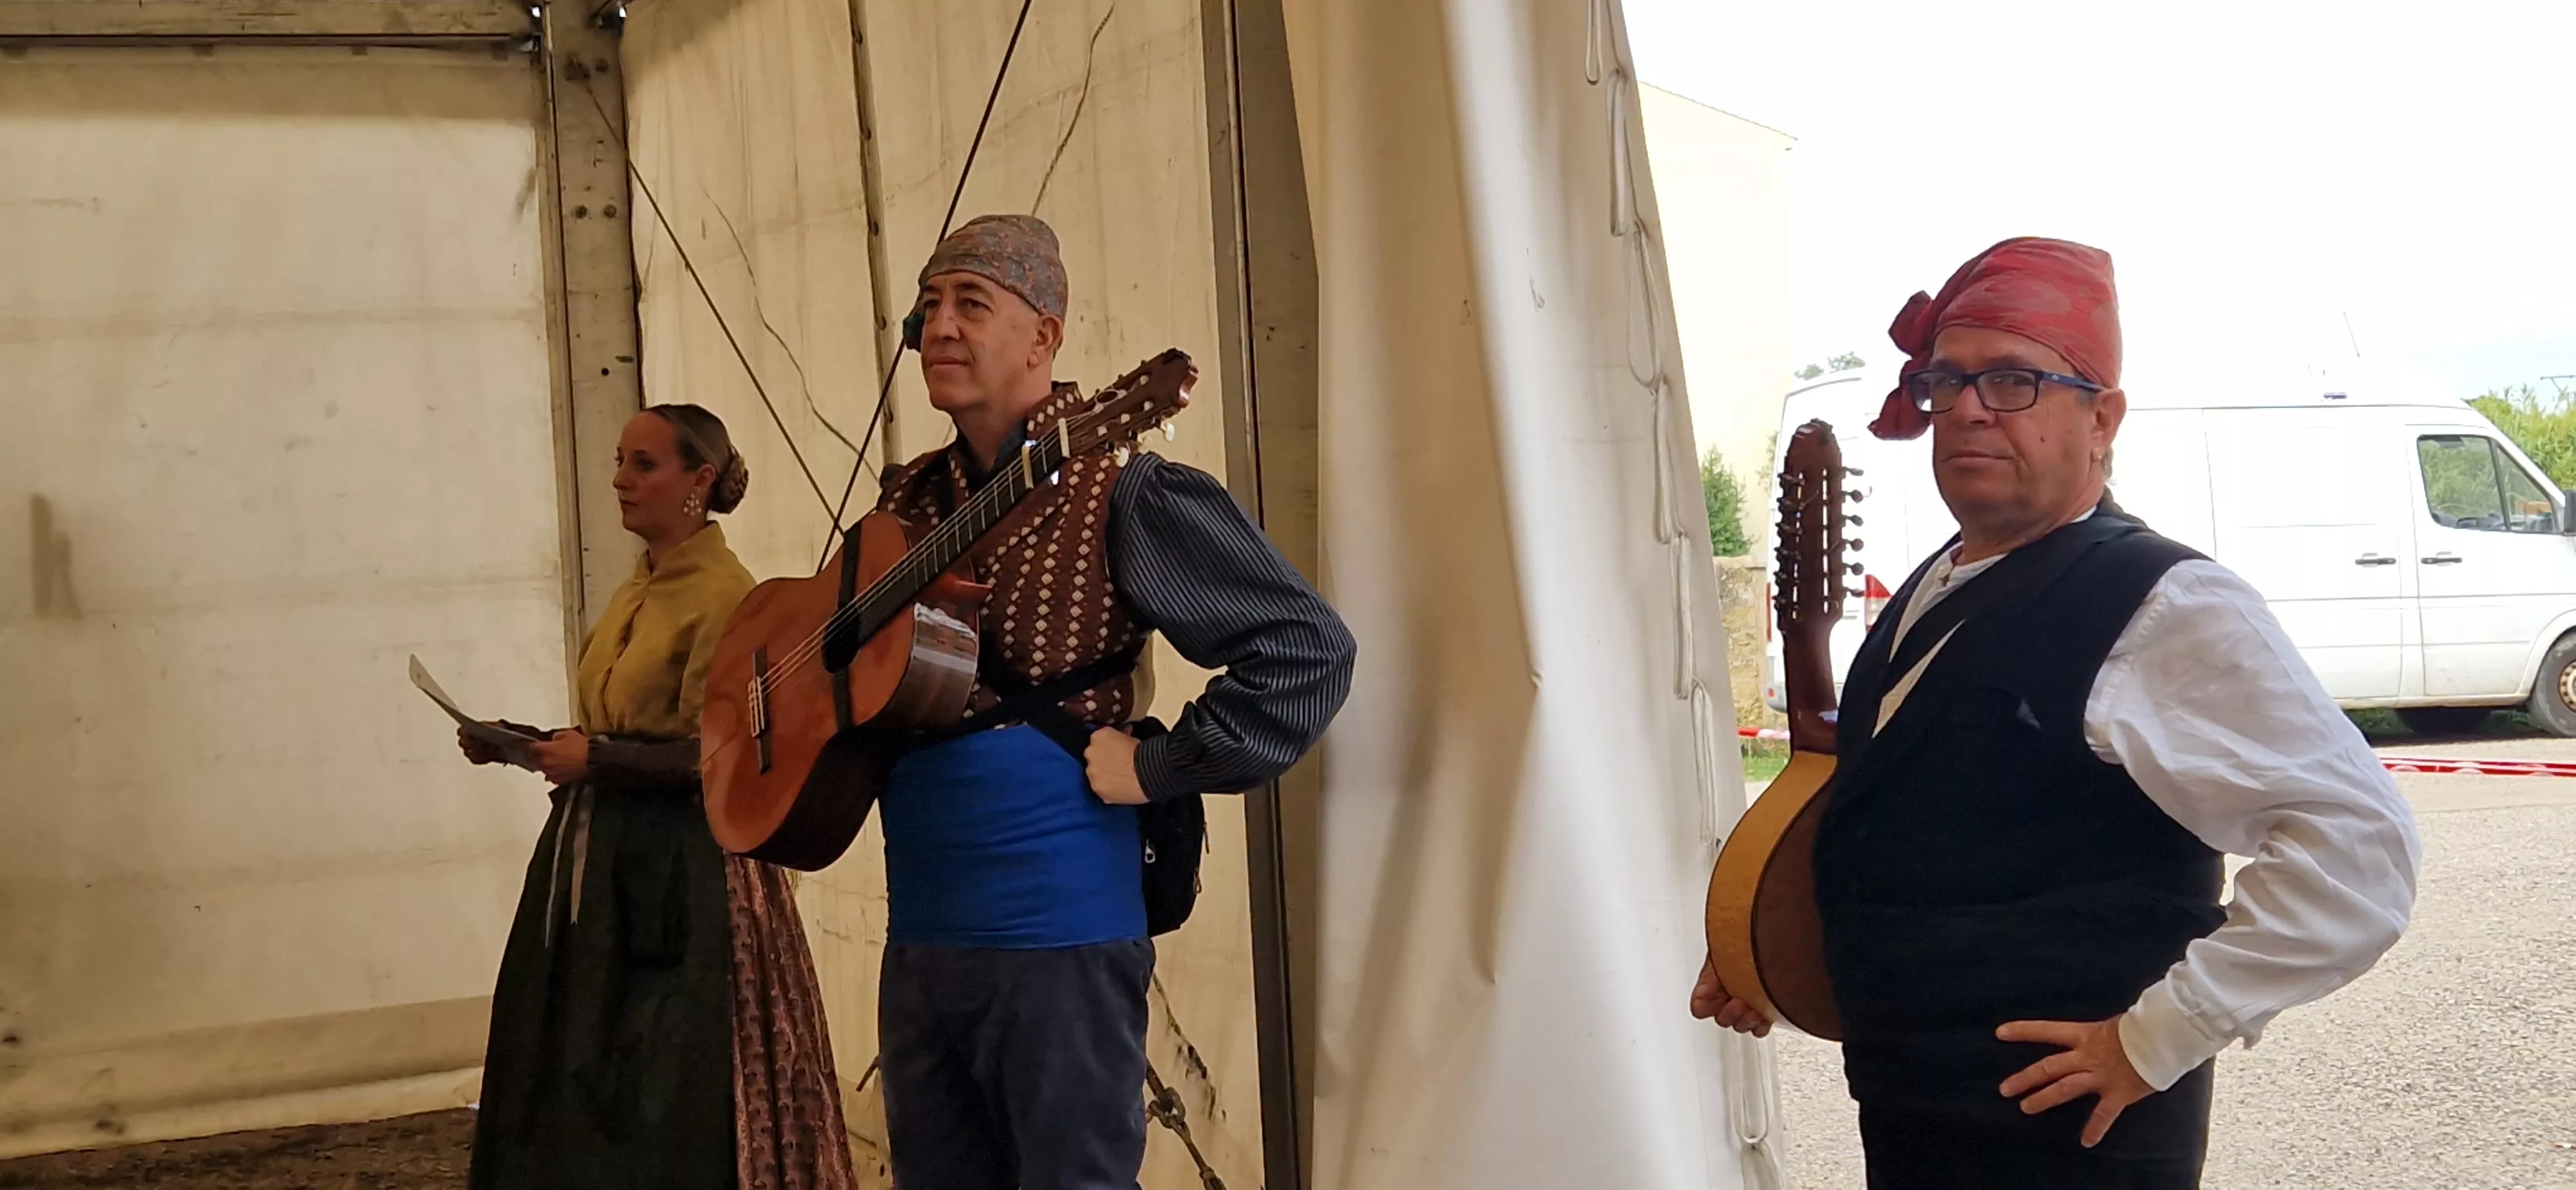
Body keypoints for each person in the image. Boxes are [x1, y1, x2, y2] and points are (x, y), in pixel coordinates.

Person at [1691, 238, 2421, 1187]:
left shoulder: (2164, 605)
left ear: (2102, 418)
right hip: (1914, 1119)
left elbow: (2360, 848)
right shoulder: (1938, 584)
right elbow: (1911, 826)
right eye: (1943, 383)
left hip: (2069, 1146)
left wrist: (2164, 1034)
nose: (1967, 412)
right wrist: (1768, 949)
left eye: (2013, 382)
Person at [848, 213, 1355, 1190]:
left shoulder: (1127, 491)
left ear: (1045, 337)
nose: (939, 326)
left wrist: (1161, 767)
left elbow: (1305, 652)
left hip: (1058, 937)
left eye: (972, 303)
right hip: (922, 930)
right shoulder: (905, 501)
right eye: (929, 305)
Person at [461, 404, 857, 1190]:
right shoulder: (637, 589)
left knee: (672, 1082)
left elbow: (727, 753)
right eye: (619, 460)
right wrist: (522, 741)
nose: (619, 479)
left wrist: (599, 759)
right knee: (578, 1066)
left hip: (686, 872)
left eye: (643, 464)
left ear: (698, 481)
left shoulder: (731, 598)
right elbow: (618, 725)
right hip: (603, 862)